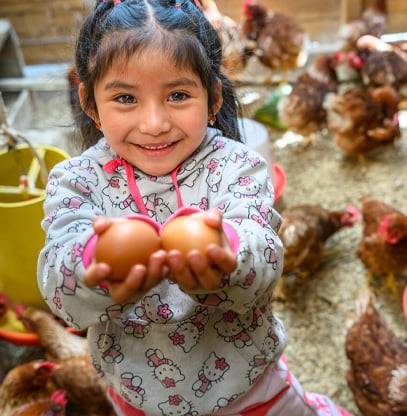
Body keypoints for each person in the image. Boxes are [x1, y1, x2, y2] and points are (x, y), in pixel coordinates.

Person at [37, 0, 353, 415]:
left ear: (214, 96)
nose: (154, 123)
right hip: (141, 400)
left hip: (255, 392)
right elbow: (59, 288)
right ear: (90, 103)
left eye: (179, 95)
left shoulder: (236, 167)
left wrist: (227, 253)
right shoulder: (75, 182)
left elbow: (265, 258)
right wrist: (94, 266)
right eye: (126, 98)